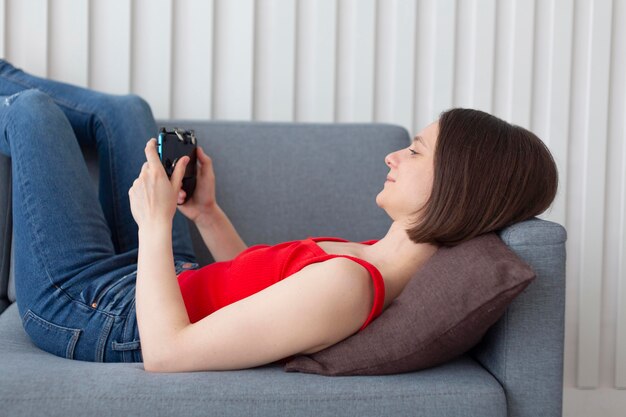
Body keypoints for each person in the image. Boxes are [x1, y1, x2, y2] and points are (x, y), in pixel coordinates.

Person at [0, 60, 558, 373]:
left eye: (414, 151)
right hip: (163, 283)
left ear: (455, 188)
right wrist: (207, 213)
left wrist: (154, 225)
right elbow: (252, 286)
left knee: (32, 114)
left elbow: (168, 353)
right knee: (127, 112)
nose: (392, 156)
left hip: (104, 313)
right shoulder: (365, 256)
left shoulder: (349, 286)